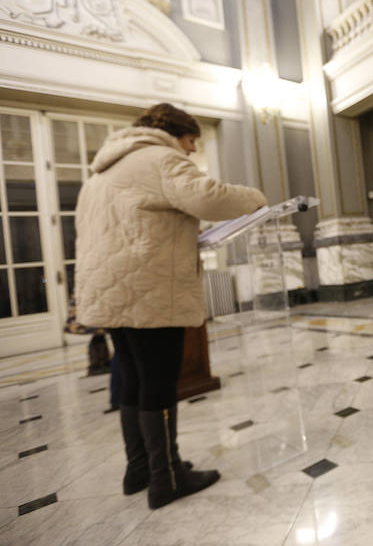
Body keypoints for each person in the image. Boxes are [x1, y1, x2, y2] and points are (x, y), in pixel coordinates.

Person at [75, 103, 268, 509]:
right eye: (192, 141)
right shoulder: (161, 157)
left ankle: (139, 470)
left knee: (130, 375)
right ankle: (168, 477)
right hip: (148, 288)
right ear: (175, 133)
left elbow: (133, 220)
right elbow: (208, 197)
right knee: (160, 380)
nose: (192, 150)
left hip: (109, 289)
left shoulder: (102, 171)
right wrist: (255, 198)